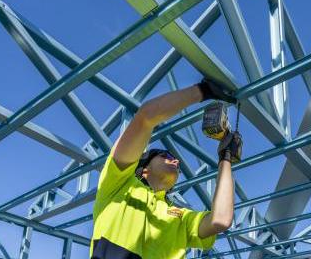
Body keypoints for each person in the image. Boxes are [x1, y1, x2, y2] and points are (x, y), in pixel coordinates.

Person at [90, 78, 243, 258]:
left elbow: (221, 220)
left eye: (176, 160)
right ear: (143, 169)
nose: (176, 162)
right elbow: (146, 118)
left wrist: (225, 158)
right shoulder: (118, 184)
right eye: (167, 156)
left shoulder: (180, 216)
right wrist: (202, 90)